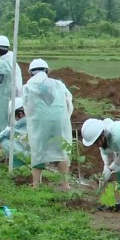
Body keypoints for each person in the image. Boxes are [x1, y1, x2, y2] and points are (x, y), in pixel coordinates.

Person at [22, 58, 73, 190]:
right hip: (59, 122)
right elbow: (68, 102)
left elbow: (28, 109)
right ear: (47, 71)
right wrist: (63, 117)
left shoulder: (28, 87)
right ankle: (65, 184)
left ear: (31, 73)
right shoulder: (58, 84)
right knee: (60, 150)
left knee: (38, 150)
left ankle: (36, 185)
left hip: (40, 124)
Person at [0, 98, 29, 168]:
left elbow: (6, 132)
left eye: (15, 116)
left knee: (3, 140)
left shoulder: (21, 123)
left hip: (25, 155)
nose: (15, 118)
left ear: (20, 114)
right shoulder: (31, 121)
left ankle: (17, 164)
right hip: (35, 156)